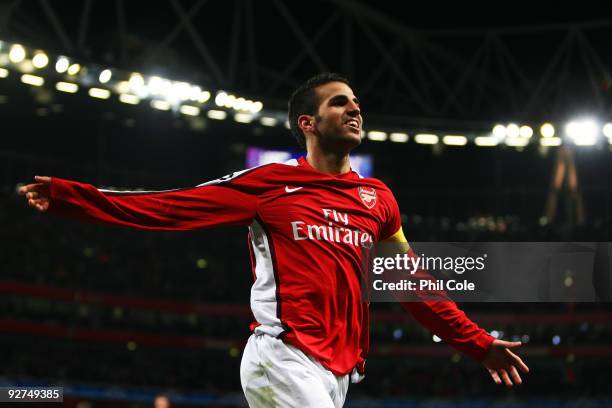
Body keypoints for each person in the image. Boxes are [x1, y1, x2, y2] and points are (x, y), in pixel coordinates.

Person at [19, 73, 528, 407]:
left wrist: (478, 344)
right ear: (308, 123)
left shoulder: (380, 200)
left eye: (356, 102)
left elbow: (411, 282)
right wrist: (73, 197)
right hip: (283, 356)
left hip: (341, 372)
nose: (354, 108)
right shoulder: (268, 185)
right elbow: (170, 207)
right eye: (339, 102)